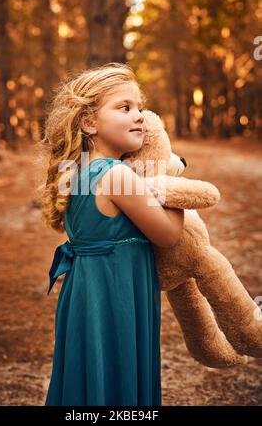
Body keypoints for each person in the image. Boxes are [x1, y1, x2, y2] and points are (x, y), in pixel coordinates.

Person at [40, 62, 184, 406]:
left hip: (85, 294)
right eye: (125, 107)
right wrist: (175, 185)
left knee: (90, 375)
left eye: (141, 108)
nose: (140, 117)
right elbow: (168, 235)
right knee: (117, 377)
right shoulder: (117, 175)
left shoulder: (78, 170)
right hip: (117, 296)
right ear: (89, 121)